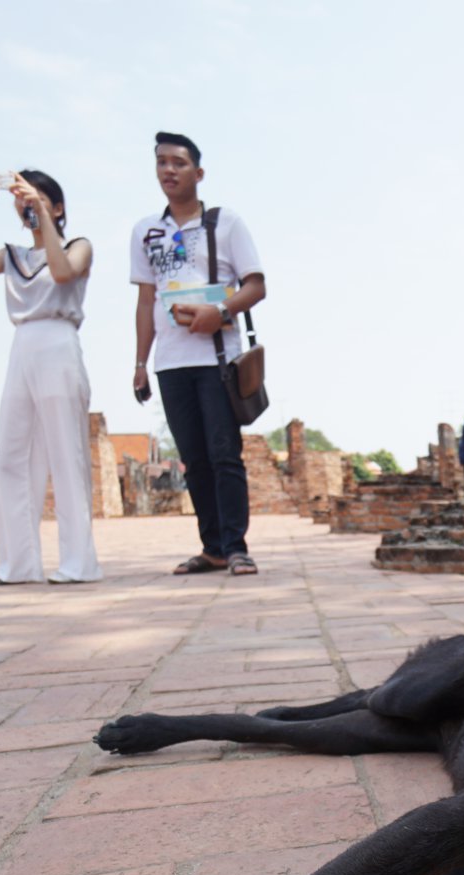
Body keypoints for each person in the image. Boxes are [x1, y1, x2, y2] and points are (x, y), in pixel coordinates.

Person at [129, 131, 267, 577]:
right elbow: (146, 301)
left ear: (198, 173)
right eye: (161, 162)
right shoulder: (146, 231)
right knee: (193, 459)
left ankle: (236, 546)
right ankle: (212, 548)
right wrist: (139, 364)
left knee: (224, 453)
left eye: (179, 163)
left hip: (217, 358)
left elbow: (257, 284)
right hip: (170, 362)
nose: (169, 170)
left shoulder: (226, 223)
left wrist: (220, 310)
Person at [0, 167, 102, 586]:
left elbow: (61, 272)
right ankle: (16, 564)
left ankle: (80, 562)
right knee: (11, 456)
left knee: (66, 454)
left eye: (36, 198)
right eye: (21, 199)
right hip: (22, 345)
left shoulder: (79, 246)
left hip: (59, 342)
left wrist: (41, 210)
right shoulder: (14, 256)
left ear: (57, 207)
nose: (26, 204)